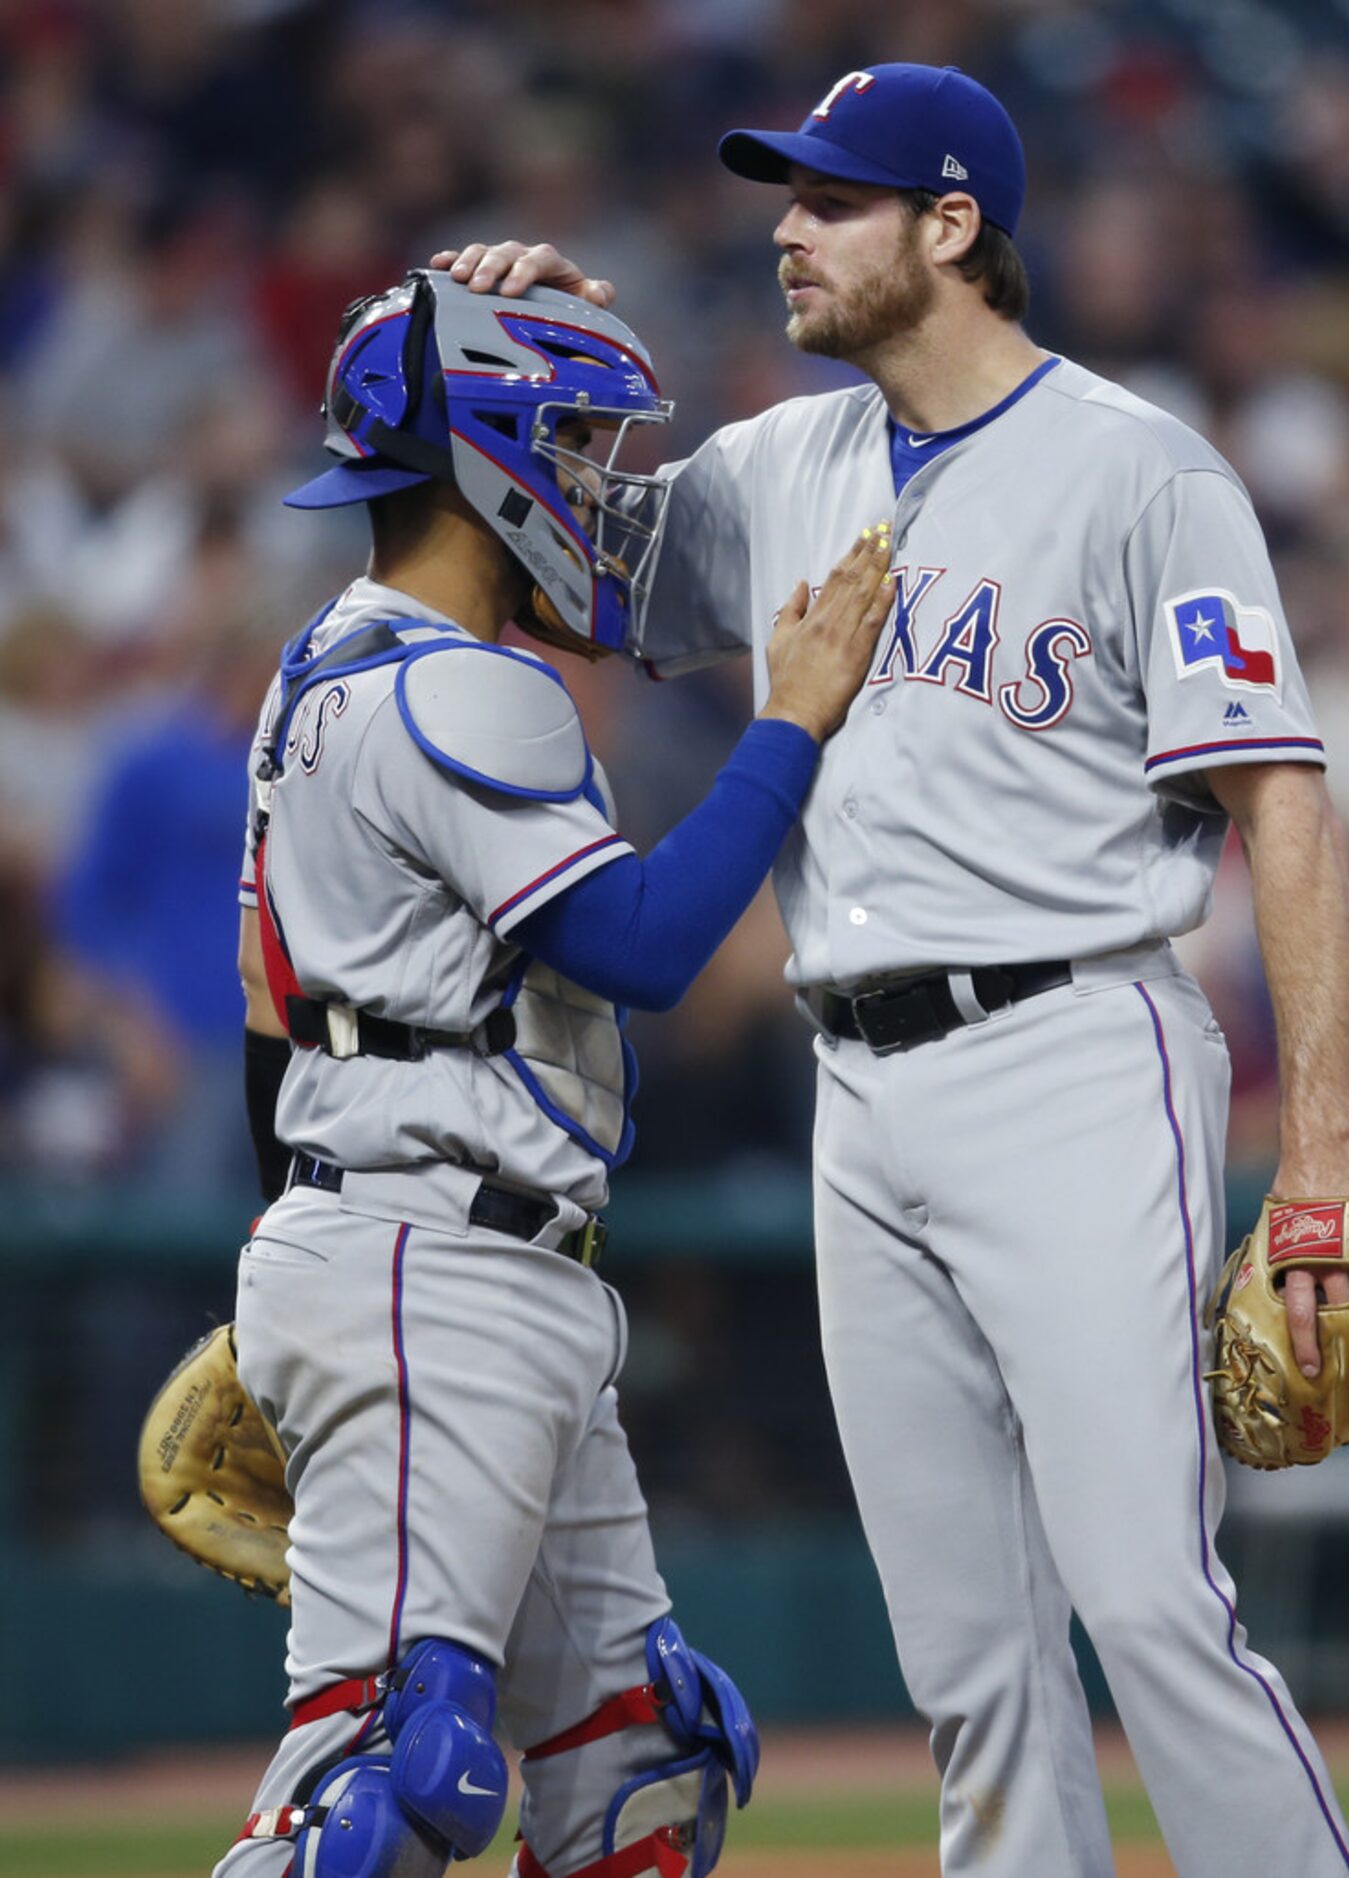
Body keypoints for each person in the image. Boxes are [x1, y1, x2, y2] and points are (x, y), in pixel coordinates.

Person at [438, 59, 1349, 1878]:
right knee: (968, 1656)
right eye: (785, 193)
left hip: (1074, 1048)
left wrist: (1324, 1148)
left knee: (1148, 1603)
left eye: (829, 198)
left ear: (951, 228)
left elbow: (1282, 806)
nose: (784, 228)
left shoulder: (1137, 467)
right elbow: (552, 580)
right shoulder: (777, 464)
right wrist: (489, 353)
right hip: (854, 1090)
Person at [221, 267, 892, 1877]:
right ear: (490, 453)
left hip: (430, 1255)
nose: (598, 480)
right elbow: (645, 947)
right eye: (573, 438)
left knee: (639, 1769)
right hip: (431, 1262)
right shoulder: (466, 685)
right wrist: (789, 720)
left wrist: (289, 1268)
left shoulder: (319, 666)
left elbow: (267, 1029)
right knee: (376, 1783)